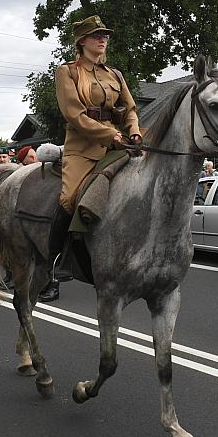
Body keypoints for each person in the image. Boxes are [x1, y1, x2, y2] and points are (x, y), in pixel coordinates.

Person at [51, 15, 142, 263]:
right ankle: (56, 258)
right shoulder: (67, 72)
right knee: (69, 200)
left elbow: (129, 108)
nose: (103, 39)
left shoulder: (115, 74)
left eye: (105, 35)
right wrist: (110, 134)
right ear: (82, 41)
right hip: (82, 148)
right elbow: (74, 115)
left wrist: (133, 130)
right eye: (96, 35)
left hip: (118, 145)